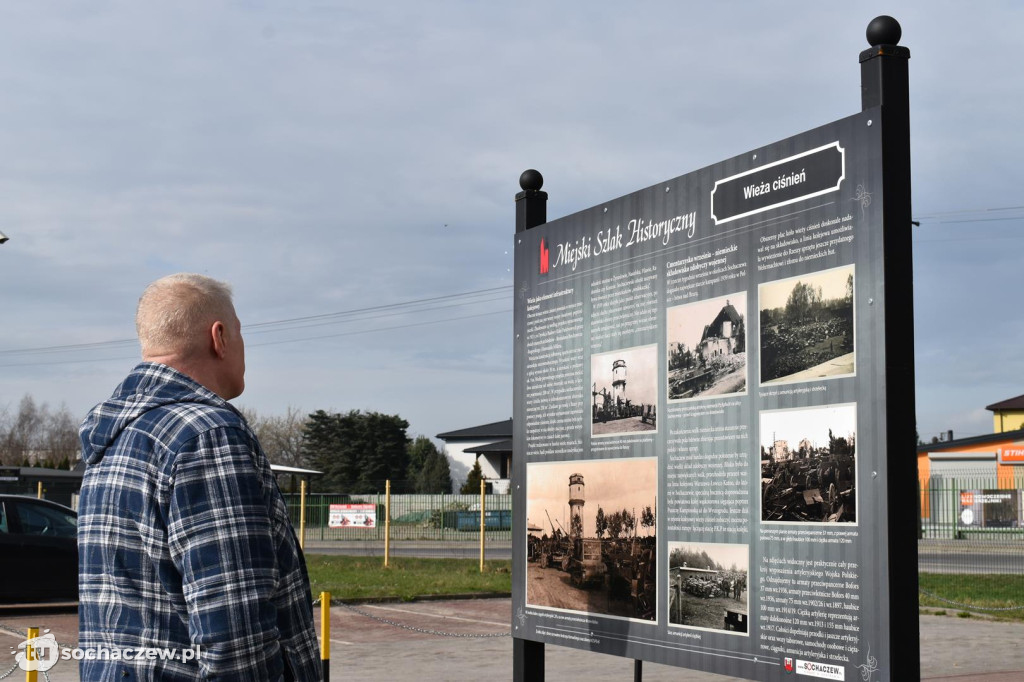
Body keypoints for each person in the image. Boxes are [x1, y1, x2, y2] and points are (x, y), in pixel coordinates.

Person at [78, 273, 321, 681]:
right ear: (219, 337)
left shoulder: (116, 436)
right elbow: (235, 634)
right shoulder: (208, 435)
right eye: (241, 333)